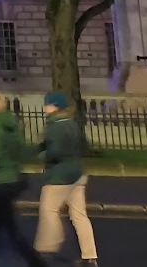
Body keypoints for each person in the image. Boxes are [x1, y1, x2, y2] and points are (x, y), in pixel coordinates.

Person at [0, 93, 48, 267]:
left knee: (0, 231)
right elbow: (21, 151)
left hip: (0, 182)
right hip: (13, 179)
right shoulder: (11, 124)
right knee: (5, 229)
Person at [35, 91, 99, 267]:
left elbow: (54, 152)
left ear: (54, 107)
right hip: (77, 174)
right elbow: (84, 146)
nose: (44, 107)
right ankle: (90, 255)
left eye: (47, 104)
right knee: (79, 215)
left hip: (59, 176)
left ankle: (47, 247)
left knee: (49, 211)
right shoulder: (72, 124)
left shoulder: (54, 126)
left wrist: (43, 156)